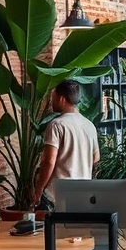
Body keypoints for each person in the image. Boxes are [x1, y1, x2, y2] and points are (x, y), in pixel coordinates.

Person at [35, 79, 99, 209]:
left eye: (53, 97)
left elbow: (49, 161)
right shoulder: (89, 125)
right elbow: (96, 158)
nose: (51, 101)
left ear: (62, 99)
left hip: (57, 195)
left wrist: (39, 188)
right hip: (82, 194)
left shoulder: (56, 125)